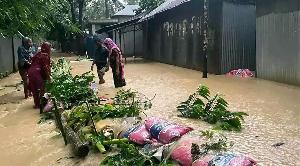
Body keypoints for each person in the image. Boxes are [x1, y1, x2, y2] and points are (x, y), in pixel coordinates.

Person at [28, 42, 51, 109]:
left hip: (30, 72)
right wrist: (49, 77)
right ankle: (42, 105)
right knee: (42, 89)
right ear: (48, 48)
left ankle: (37, 104)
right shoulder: (45, 56)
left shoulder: (38, 54)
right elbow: (46, 67)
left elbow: (32, 60)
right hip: (37, 73)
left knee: (34, 89)